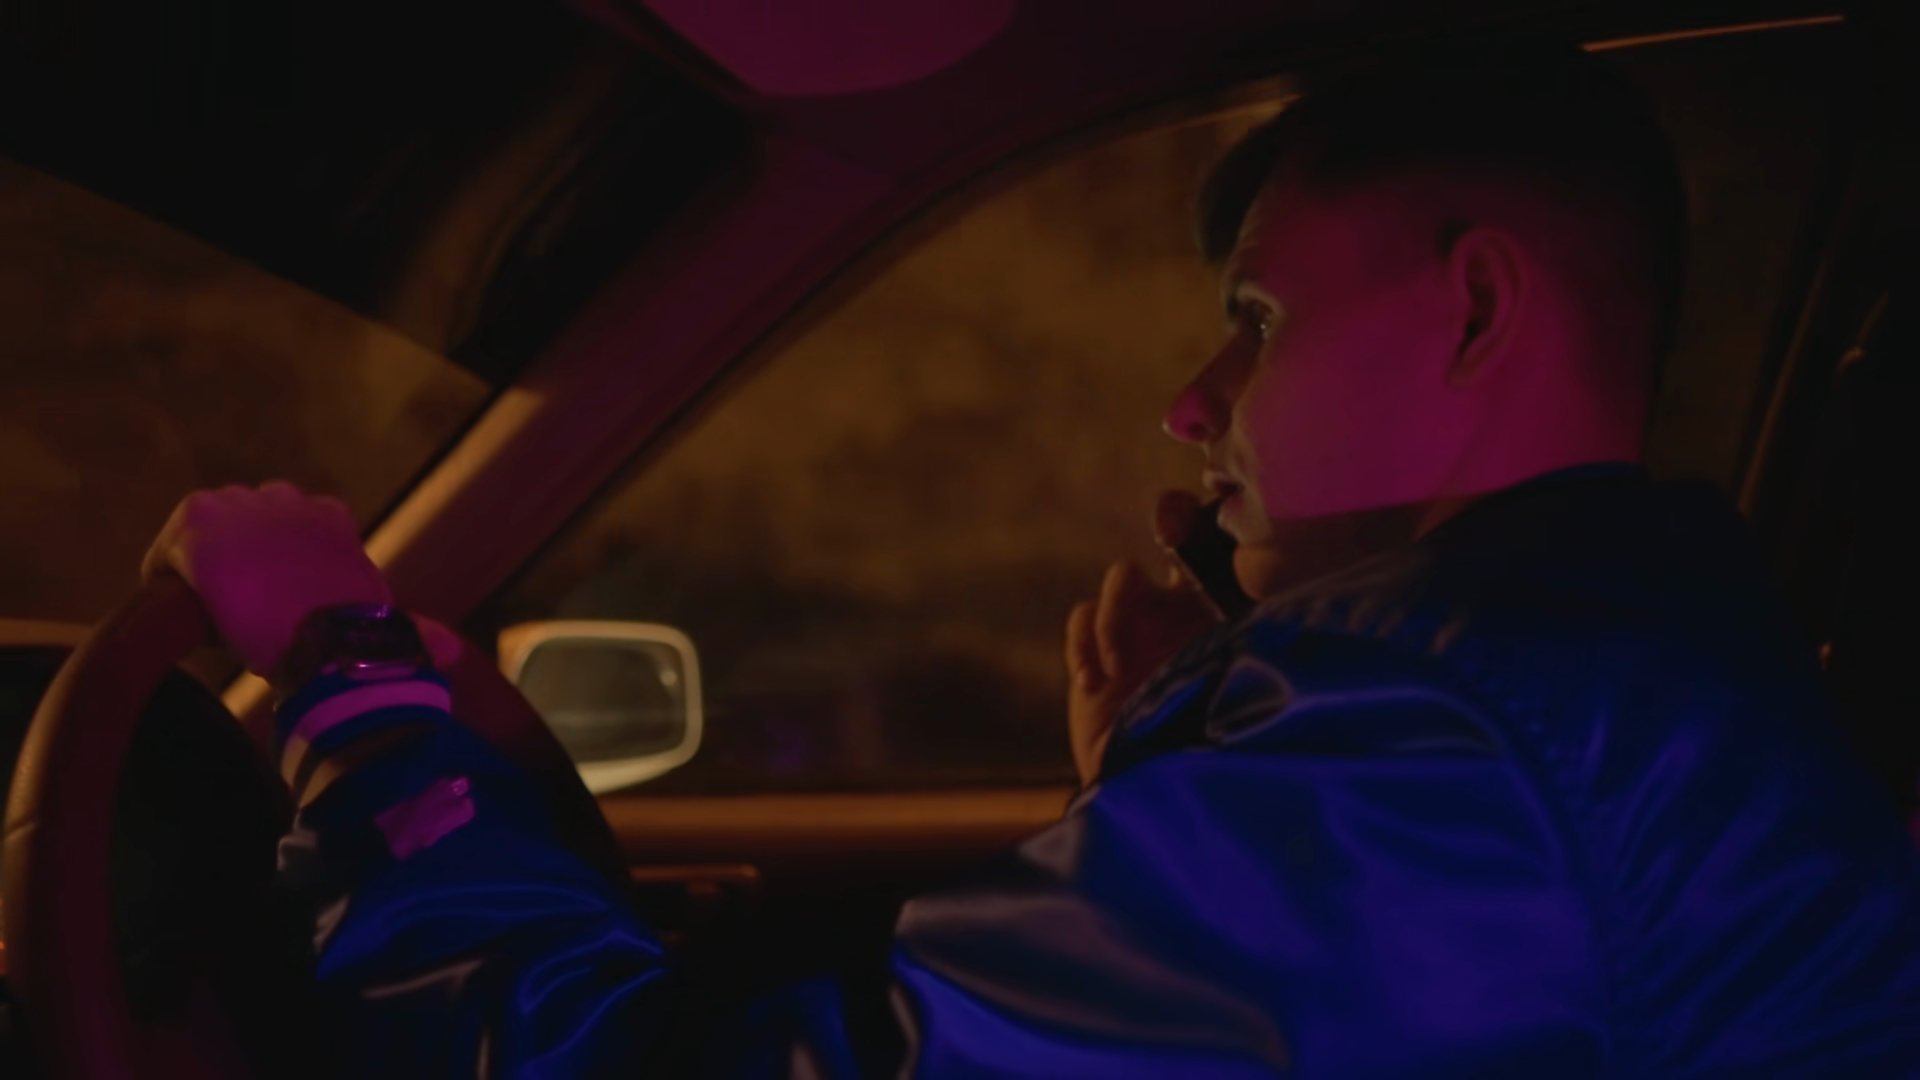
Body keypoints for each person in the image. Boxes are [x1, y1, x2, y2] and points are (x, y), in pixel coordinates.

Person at [144, 45, 1920, 1077]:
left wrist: (351, 675)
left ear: (1472, 310)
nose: (1190, 403)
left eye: (1256, 320)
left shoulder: (1450, 755)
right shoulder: (1609, 692)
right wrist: (1181, 774)